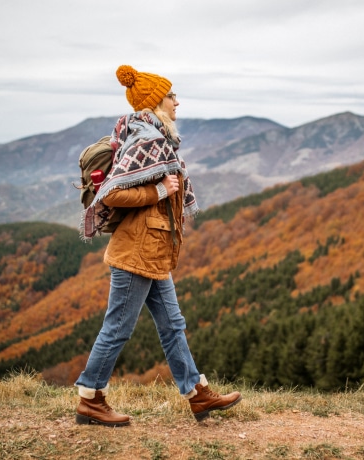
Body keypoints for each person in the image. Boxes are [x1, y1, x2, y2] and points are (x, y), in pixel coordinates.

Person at [74, 64, 242, 426]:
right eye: (171, 95)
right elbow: (113, 192)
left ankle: (197, 393)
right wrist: (159, 190)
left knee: (172, 325)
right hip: (137, 251)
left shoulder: (155, 135)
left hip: (152, 250)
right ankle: (90, 396)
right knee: (118, 327)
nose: (177, 101)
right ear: (155, 102)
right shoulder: (148, 139)